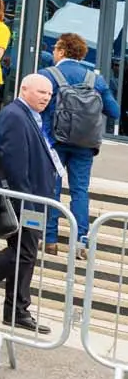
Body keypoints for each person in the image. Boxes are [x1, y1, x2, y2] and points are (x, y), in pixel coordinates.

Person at [0, 74, 59, 334]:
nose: (46, 97)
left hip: (35, 198)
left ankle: (17, 309)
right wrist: (26, 199)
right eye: (41, 92)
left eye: (49, 94)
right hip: (26, 200)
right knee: (25, 253)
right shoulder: (15, 115)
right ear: (24, 89)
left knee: (25, 254)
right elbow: (13, 163)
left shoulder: (30, 115)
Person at [41, 32, 120, 256]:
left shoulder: (48, 75)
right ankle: (81, 243)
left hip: (53, 141)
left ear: (63, 51)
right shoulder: (96, 79)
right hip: (85, 144)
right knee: (79, 191)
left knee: (52, 189)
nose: (54, 53)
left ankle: (50, 240)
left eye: (56, 49)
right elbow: (113, 111)